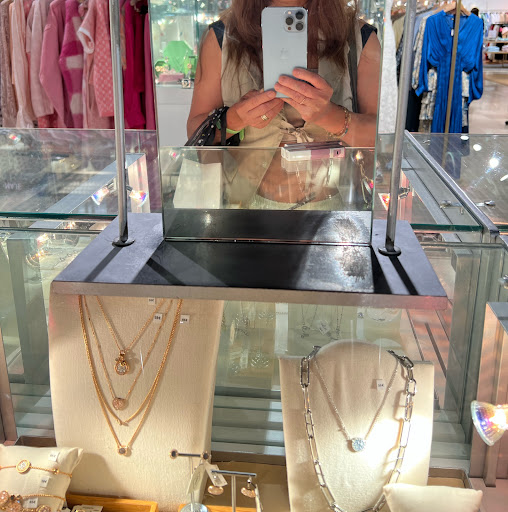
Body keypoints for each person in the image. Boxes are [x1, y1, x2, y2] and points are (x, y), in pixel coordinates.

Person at [187, 0, 381, 149]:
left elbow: (379, 137)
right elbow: (194, 131)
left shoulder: (359, 38)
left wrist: (329, 115)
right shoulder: (222, 37)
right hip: (243, 189)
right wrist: (235, 119)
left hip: (337, 188)